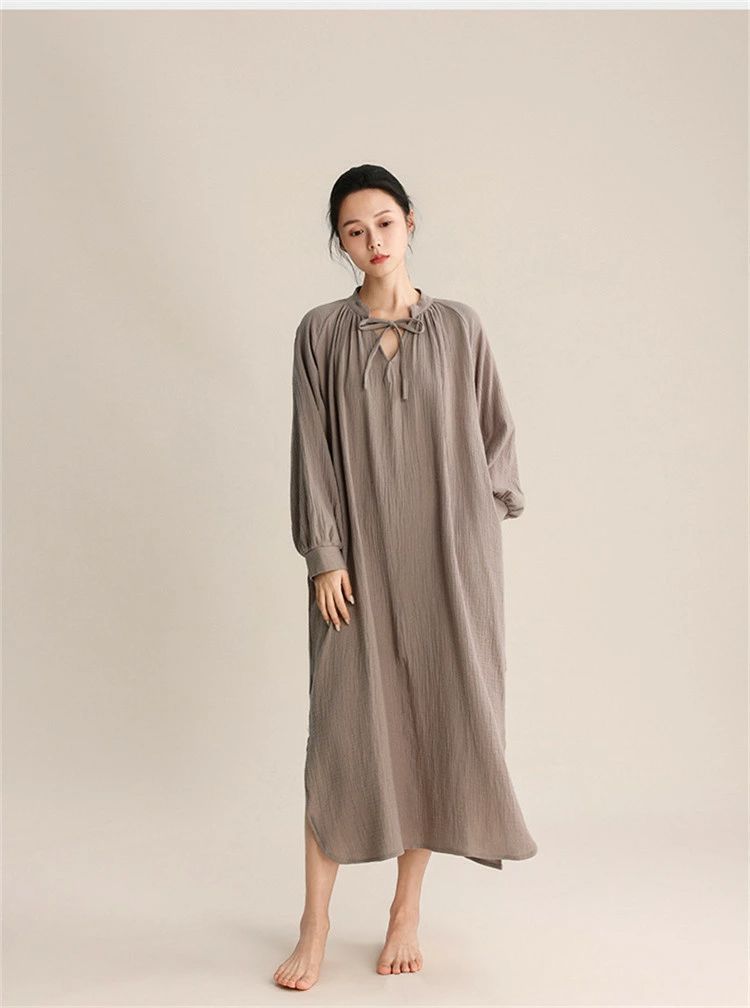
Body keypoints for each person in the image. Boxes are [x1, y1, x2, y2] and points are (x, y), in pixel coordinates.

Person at [274, 165, 537, 991]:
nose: (373, 242)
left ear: (410, 223)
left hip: (450, 561)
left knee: (432, 726)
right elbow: (311, 449)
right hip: (356, 564)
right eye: (355, 231)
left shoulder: (459, 327)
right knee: (340, 738)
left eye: (385, 223)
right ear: (340, 243)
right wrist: (324, 553)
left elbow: (495, 432)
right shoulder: (320, 333)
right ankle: (315, 923)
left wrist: (481, 513)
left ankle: (405, 911)